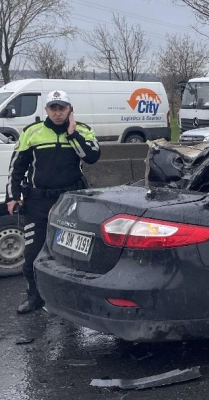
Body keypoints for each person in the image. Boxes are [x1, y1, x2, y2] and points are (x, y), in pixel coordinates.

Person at [6, 90, 100, 314]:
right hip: (38, 201)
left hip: (71, 200)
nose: (58, 113)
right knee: (33, 253)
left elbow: (92, 157)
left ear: (70, 109)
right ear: (46, 110)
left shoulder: (83, 130)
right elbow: (16, 168)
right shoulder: (32, 132)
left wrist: (72, 134)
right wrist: (13, 196)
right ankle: (34, 297)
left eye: (62, 108)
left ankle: (73, 298)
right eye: (53, 108)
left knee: (75, 254)